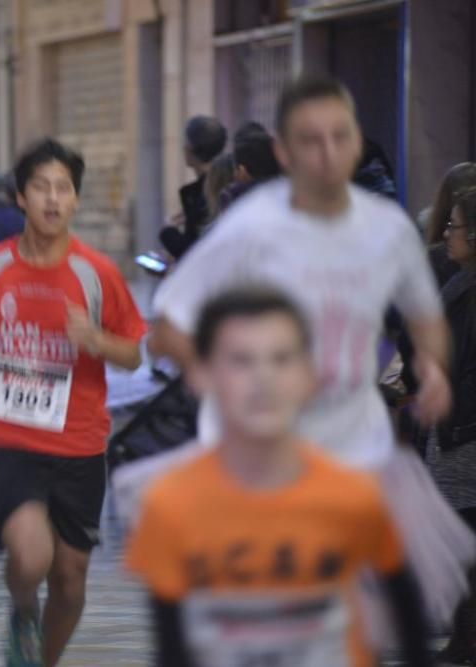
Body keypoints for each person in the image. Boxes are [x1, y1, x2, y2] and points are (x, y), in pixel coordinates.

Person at [122, 73, 473, 628]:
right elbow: (169, 325)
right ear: (284, 152)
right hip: (256, 453)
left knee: (343, 616)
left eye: (341, 136)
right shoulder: (249, 229)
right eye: (311, 139)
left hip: (353, 451)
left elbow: (426, 317)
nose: (328, 153)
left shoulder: (387, 230)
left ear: (357, 142)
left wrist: (433, 368)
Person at [126, 288, 429, 667]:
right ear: (202, 375)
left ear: (309, 375)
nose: (262, 379)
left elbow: (409, 622)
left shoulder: (354, 495)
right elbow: (171, 647)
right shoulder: (170, 502)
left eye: (281, 359)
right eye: (241, 361)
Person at [0, 139, 147, 667]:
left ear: (76, 201)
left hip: (79, 440)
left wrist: (95, 340)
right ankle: (21, 609)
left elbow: (132, 353)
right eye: (42, 187)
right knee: (32, 554)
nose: (53, 199)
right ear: (21, 196)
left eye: (64, 189)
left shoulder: (97, 274)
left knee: (70, 579)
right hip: (8, 432)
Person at [422, 186, 476, 663]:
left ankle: (465, 639)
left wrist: (456, 417)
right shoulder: (458, 283)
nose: (446, 235)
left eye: (455, 227)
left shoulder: (469, 291)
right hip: (453, 432)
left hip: (464, 434)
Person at [160, 115, 228, 259]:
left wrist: (169, 231)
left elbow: (194, 252)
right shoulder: (224, 184)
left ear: (190, 148)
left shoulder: (208, 193)